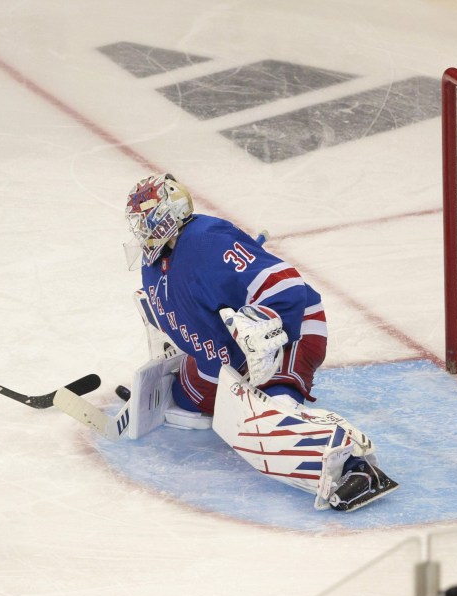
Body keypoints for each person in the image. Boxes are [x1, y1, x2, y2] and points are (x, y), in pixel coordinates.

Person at [121, 173, 398, 512]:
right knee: (187, 400)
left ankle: (355, 465)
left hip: (289, 333)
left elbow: (288, 290)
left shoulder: (208, 242)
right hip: (232, 352)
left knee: (273, 413)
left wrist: (259, 322)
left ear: (169, 212)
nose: (142, 229)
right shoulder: (153, 266)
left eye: (147, 217)